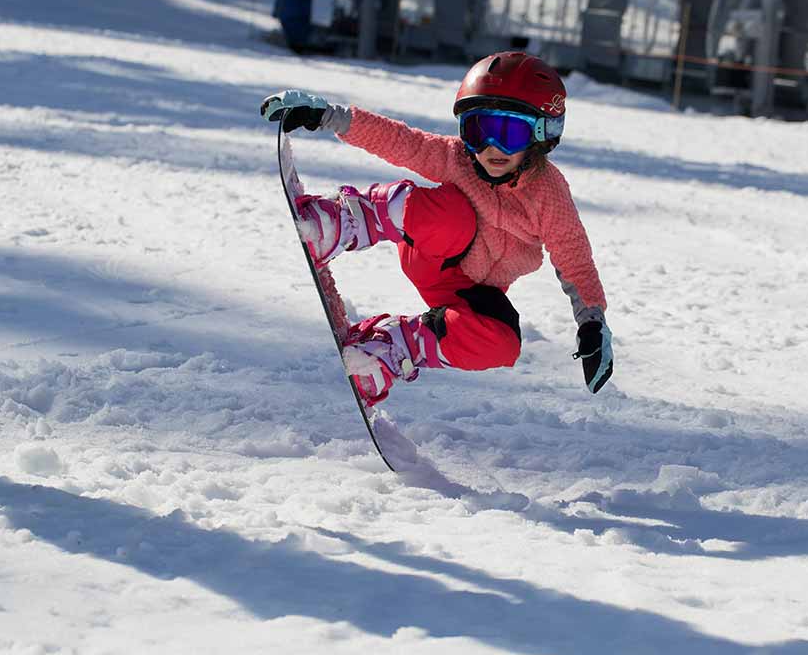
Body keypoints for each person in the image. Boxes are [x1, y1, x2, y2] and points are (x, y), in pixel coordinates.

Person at [261, 51, 613, 406]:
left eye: (510, 132)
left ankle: (391, 348)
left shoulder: (548, 194)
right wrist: (329, 117)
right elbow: (403, 142)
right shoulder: (459, 158)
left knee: (502, 343)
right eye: (479, 130)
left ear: (542, 135)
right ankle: (343, 222)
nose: (492, 147)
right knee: (454, 215)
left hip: (465, 291)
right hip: (431, 252)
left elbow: (574, 258)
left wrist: (591, 323)